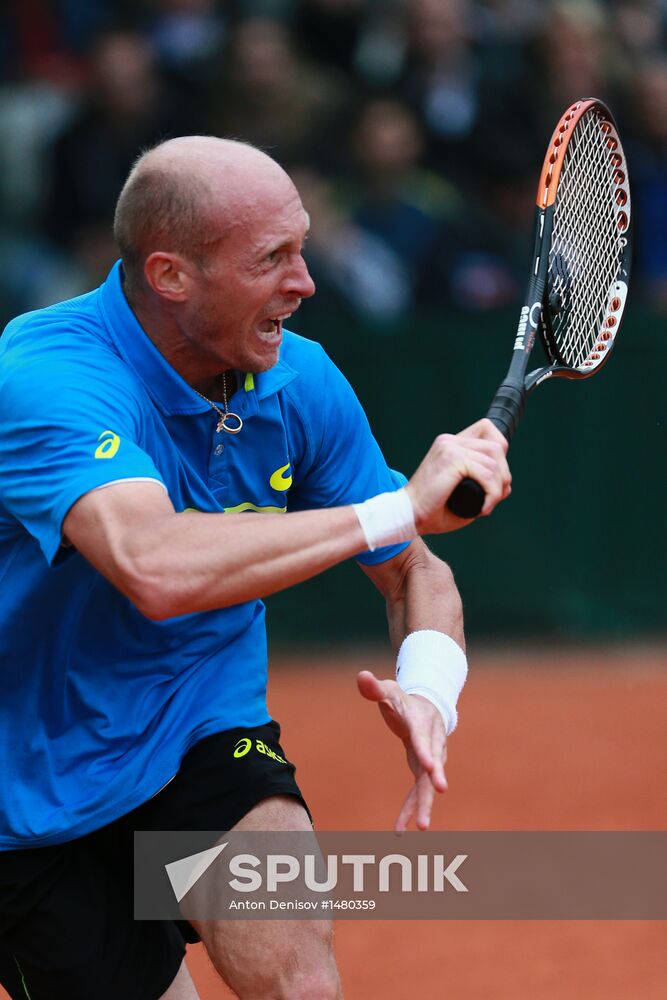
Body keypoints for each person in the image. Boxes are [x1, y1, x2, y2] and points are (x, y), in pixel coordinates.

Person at [0, 136, 510, 1000]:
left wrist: (430, 688)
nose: (305, 283)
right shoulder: (46, 375)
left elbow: (415, 573)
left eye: (302, 247)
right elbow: (154, 567)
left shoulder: (297, 378)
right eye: (271, 258)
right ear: (170, 276)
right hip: (31, 795)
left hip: (203, 732)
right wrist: (392, 510)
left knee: (300, 980)